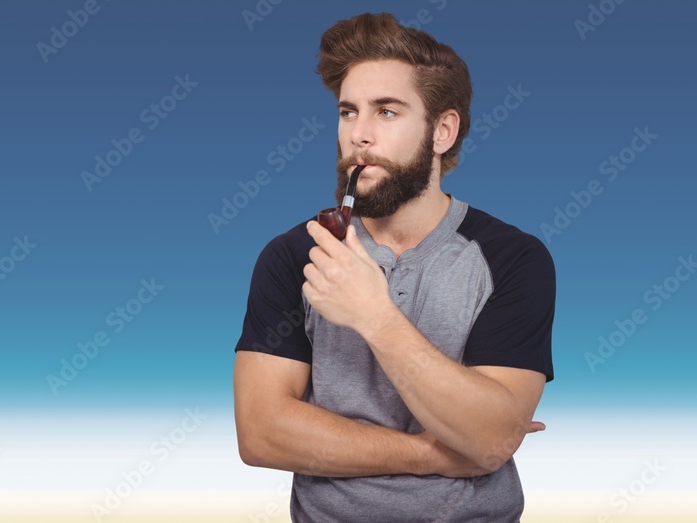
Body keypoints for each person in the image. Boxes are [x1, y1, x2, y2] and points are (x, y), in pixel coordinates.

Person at [232, 12, 555, 522]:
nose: (358, 134)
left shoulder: (513, 258)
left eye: (386, 112)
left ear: (442, 131)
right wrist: (431, 454)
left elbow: (490, 439)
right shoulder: (296, 254)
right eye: (347, 112)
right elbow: (261, 433)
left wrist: (373, 316)